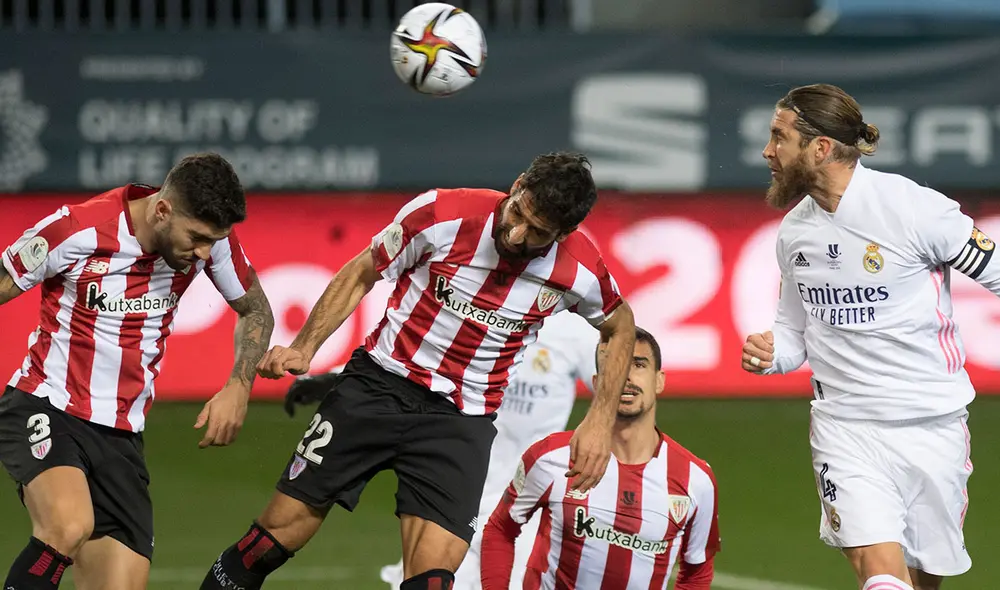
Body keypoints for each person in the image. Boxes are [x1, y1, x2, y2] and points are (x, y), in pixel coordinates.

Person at [199, 151, 636, 590]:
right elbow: (363, 271)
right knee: (267, 544)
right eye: (518, 212)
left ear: (564, 234)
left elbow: (620, 327)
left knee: (431, 582)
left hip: (460, 422)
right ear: (518, 184)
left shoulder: (578, 269)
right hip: (376, 387)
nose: (517, 233)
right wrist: (305, 347)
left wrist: (600, 422)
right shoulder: (443, 213)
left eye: (538, 232)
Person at [743, 83, 996, 590]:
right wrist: (773, 353)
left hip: (932, 424)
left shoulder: (914, 210)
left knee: (921, 580)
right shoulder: (794, 233)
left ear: (820, 148)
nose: (768, 152)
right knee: (878, 572)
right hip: (845, 428)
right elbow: (794, 332)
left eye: (779, 137)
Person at [0, 153, 274, 590]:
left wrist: (238, 387)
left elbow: (256, 309)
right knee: (67, 526)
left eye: (213, 241)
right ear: (162, 210)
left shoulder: (210, 242)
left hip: (121, 434)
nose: (204, 252)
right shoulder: (76, 229)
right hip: (47, 403)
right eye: (197, 238)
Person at [481, 326, 720, 589]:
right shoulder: (550, 457)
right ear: (597, 383)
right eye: (614, 367)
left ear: (659, 380)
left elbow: (697, 572)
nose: (626, 376)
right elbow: (500, 529)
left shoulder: (695, 479)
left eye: (639, 365)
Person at [376, 310, 600, 590]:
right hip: (459, 491)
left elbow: (612, 387)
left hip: (526, 503)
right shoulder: (480, 310)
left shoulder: (572, 331)